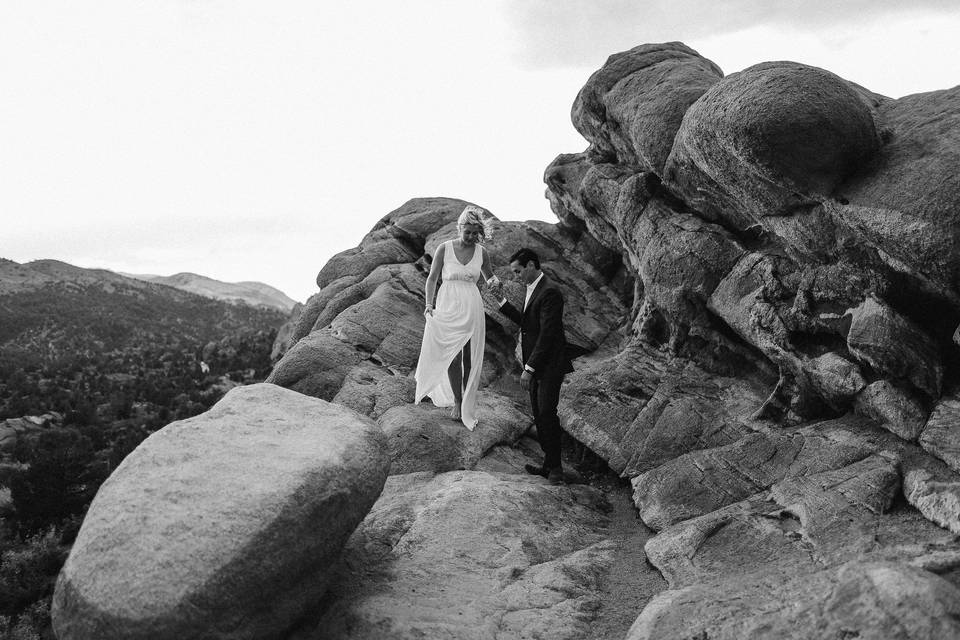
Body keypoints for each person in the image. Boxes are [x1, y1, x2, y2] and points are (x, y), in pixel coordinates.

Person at [414, 205, 498, 430]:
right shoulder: (444, 248)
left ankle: (468, 401)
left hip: (472, 304)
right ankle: (457, 400)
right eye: (467, 232)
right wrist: (429, 304)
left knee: (469, 357)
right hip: (448, 303)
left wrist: (495, 283)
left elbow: (490, 278)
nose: (471, 237)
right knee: (453, 354)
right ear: (459, 228)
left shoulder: (482, 253)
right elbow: (432, 279)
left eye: (475, 233)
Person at [497, 248, 573, 485]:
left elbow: (548, 334)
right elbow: (527, 323)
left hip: (549, 364)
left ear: (531, 265)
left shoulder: (550, 291)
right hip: (537, 363)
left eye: (518, 271)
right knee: (539, 414)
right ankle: (548, 464)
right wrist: (501, 300)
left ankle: (557, 470)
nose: (516, 276)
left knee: (547, 413)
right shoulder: (533, 289)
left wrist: (529, 368)